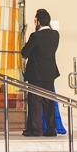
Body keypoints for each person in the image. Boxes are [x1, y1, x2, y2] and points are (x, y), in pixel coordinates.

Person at [21, 9, 60, 138]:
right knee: (48, 101)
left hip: (36, 73)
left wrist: (27, 46)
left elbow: (24, 53)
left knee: (35, 101)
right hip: (49, 72)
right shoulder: (55, 35)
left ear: (38, 22)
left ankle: (36, 129)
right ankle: (51, 128)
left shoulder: (35, 36)